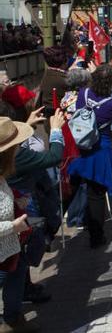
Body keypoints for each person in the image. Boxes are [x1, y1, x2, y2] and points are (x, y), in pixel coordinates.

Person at [67, 65, 112, 248]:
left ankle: (68, 223)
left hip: (78, 146)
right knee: (96, 194)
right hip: (99, 148)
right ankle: (96, 236)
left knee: (73, 187)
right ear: (111, 84)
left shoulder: (84, 92)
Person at [0, 116, 39, 332]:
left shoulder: (1, 176)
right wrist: (13, 226)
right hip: (3, 253)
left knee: (16, 279)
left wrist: (15, 200)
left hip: (10, 251)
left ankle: (13, 321)